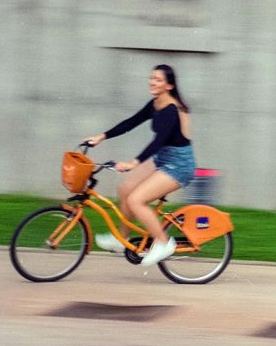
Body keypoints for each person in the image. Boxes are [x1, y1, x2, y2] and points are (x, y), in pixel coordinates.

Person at [83, 64, 196, 267]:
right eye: (151, 78)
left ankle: (163, 242)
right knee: (125, 189)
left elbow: (158, 141)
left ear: (169, 86)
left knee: (136, 200)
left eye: (158, 80)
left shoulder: (171, 110)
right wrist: (102, 136)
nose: (152, 82)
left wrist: (133, 163)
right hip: (163, 159)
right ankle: (121, 239)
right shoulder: (155, 104)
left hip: (179, 165)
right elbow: (131, 122)